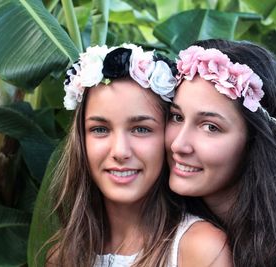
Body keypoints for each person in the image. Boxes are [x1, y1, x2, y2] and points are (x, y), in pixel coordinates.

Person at [44, 43, 230, 266]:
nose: (120, 152)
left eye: (141, 129)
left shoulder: (200, 249)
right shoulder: (62, 255)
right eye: (100, 129)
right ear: (81, 141)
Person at [165, 39, 276, 266]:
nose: (179, 145)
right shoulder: (158, 228)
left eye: (211, 127)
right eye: (177, 117)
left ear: (255, 142)